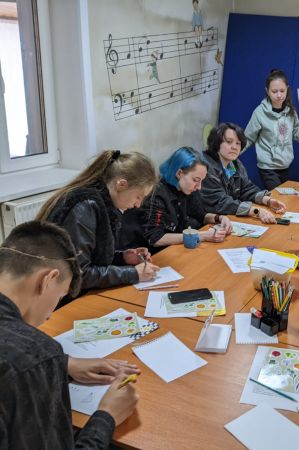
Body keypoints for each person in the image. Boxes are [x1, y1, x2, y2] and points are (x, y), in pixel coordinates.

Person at [0, 221, 140, 449]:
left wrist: (64, 365)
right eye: (59, 297)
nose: (49, 316)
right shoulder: (36, 354)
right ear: (47, 280)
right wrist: (107, 417)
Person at [37, 150, 160, 299]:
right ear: (121, 184)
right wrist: (132, 273)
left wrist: (123, 258)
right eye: (139, 197)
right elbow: (79, 274)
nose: (138, 204)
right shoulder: (85, 207)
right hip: (58, 299)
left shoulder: (103, 202)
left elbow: (93, 256)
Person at [120, 146, 232, 252]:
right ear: (179, 173)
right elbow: (155, 238)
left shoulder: (186, 189)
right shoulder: (157, 194)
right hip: (149, 254)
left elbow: (200, 215)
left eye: (201, 181)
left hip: (174, 248)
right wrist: (201, 236)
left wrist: (220, 218)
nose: (199, 187)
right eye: (196, 180)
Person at [200, 123, 287, 224]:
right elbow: (220, 202)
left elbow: (246, 188)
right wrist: (255, 211)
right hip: (204, 224)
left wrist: (268, 201)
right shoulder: (205, 167)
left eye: (238, 143)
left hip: (227, 219)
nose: (234, 147)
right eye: (229, 142)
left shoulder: (234, 164)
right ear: (216, 142)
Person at [244, 69, 299, 190]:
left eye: (282, 91)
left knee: (283, 198)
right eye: (274, 91)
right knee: (278, 197)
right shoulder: (259, 112)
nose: (279, 95)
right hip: (267, 167)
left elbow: (298, 136)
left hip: (285, 166)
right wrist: (231, 154)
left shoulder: (291, 112)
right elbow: (248, 138)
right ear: (267, 91)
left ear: (287, 89)